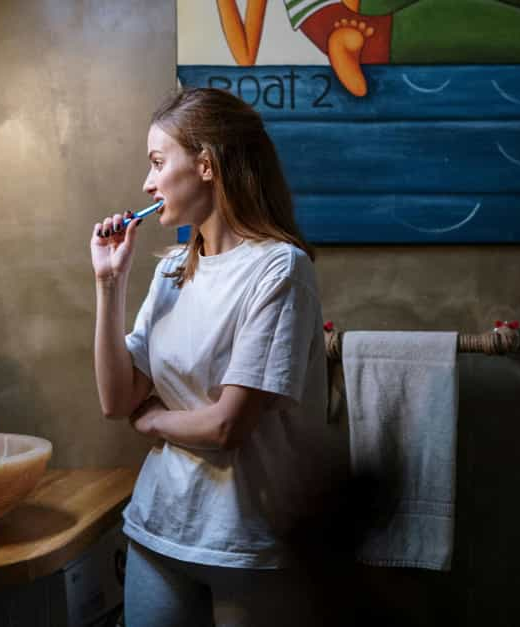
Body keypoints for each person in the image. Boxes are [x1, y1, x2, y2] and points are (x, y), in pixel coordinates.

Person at [90, 87, 342, 627]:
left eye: (158, 163)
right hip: (159, 529)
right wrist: (109, 283)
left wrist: (154, 419)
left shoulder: (280, 270)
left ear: (205, 165)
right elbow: (116, 400)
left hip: (249, 543)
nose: (147, 183)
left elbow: (229, 425)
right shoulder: (170, 272)